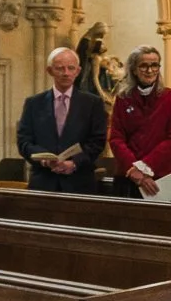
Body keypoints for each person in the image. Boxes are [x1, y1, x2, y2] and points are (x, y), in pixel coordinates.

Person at [15, 48, 108, 193]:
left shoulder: (92, 103)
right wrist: (43, 158)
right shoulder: (34, 103)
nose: (66, 73)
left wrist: (74, 163)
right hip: (43, 182)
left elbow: (97, 141)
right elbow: (24, 141)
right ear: (50, 71)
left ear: (78, 71)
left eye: (71, 68)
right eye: (60, 68)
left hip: (79, 183)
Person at [108, 45, 171, 196]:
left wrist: (144, 167)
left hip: (162, 174)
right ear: (134, 70)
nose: (150, 71)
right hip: (128, 175)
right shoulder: (123, 99)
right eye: (144, 66)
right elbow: (116, 139)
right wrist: (134, 170)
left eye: (154, 65)